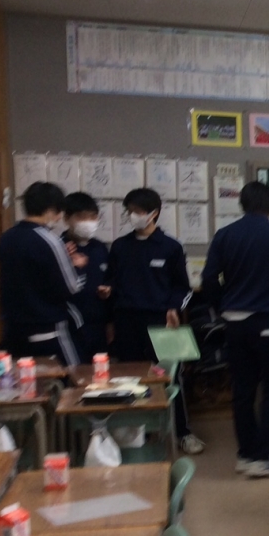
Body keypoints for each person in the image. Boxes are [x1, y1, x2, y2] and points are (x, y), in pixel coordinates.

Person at [202, 181, 269, 477]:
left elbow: (209, 279)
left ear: (242, 204)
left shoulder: (225, 235)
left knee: (242, 389)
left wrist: (222, 306)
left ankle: (246, 454)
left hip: (233, 321)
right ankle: (266, 457)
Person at [104, 188, 203, 454]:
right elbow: (111, 282)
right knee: (130, 378)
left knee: (172, 377)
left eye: (138, 211)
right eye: (130, 212)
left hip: (162, 321)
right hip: (127, 321)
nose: (133, 216)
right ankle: (138, 433)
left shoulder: (171, 247)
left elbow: (183, 288)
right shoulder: (120, 246)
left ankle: (183, 432)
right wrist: (107, 297)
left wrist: (174, 307)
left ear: (153, 214)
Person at [0, 182, 86, 366]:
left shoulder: (6, 238)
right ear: (51, 210)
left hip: (14, 328)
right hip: (48, 328)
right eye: (59, 212)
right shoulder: (50, 240)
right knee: (73, 375)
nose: (59, 218)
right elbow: (72, 286)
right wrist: (77, 266)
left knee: (24, 378)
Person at [62, 192, 110, 362]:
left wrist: (108, 289)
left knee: (100, 370)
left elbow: (109, 278)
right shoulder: (59, 247)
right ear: (67, 218)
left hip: (98, 324)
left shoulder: (100, 248)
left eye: (93, 217)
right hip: (69, 325)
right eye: (82, 217)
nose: (88, 222)